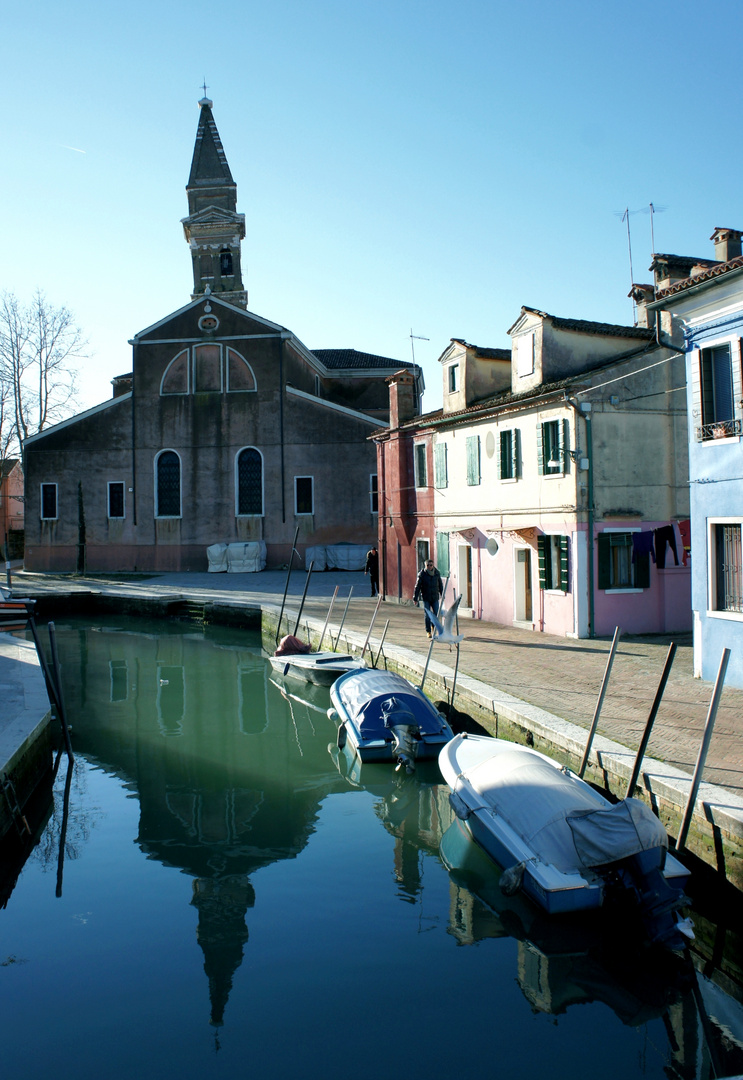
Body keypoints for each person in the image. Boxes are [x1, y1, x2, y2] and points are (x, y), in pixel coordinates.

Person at [413, 559, 443, 637]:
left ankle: (433, 625)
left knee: (436, 613)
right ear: (425, 566)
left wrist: (442, 593)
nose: (429, 567)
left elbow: (440, 584)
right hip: (426, 597)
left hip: (435, 597)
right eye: (428, 565)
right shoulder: (422, 574)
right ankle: (428, 631)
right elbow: (417, 586)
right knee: (427, 615)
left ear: (433, 565)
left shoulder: (436, 573)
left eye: (431, 565)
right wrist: (415, 598)